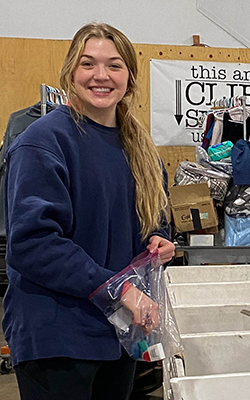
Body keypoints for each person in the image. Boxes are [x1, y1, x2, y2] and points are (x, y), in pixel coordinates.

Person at [3, 23, 175, 400]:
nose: (101, 76)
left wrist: (160, 240)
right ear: (70, 73)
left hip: (118, 333)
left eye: (114, 65)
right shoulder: (42, 142)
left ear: (129, 77)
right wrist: (119, 290)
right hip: (57, 337)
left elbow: (155, 220)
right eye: (88, 64)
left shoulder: (140, 149)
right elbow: (33, 244)